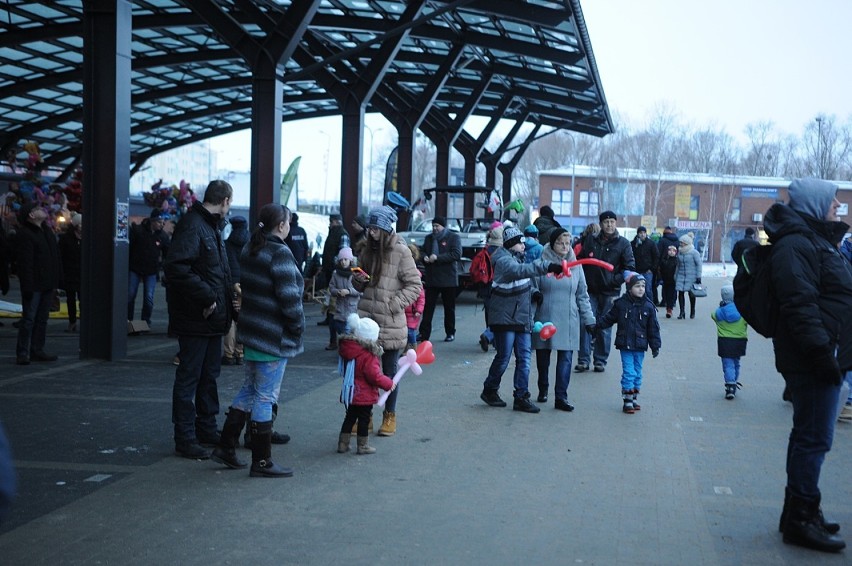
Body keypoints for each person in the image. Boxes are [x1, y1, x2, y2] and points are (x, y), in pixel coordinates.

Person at [764, 178, 851, 552]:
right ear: (815, 205)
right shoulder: (797, 244)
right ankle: (800, 518)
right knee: (813, 439)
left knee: (810, 437)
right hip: (815, 359)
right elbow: (799, 304)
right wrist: (821, 355)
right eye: (832, 202)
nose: (838, 208)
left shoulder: (811, 240)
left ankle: (799, 512)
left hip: (824, 355)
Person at [211, 203, 303, 478]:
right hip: (273, 336)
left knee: (251, 389)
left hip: (253, 333)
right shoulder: (279, 253)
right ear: (282, 225)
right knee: (265, 395)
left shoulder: (251, 248)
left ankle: (226, 446)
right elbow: (289, 298)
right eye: (287, 221)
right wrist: (297, 327)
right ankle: (262, 461)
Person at [164, 180, 235, 460]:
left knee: (208, 377)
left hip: (210, 318)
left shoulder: (209, 226)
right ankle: (185, 437)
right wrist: (208, 297)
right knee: (190, 378)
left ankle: (206, 428)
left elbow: (219, 271)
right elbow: (176, 268)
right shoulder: (194, 225)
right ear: (225, 201)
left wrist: (229, 303)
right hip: (196, 317)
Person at [351, 206, 421, 437]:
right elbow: (359, 286)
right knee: (364, 372)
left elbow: (414, 286)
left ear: (385, 228)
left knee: (389, 374)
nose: (370, 233)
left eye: (375, 228)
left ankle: (389, 415)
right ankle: (365, 417)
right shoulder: (366, 250)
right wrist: (358, 280)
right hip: (366, 322)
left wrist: (394, 304)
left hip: (391, 323)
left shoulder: (401, 251)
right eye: (369, 228)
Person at [479, 226, 563, 413]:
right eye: (520, 242)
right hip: (505, 318)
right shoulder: (503, 261)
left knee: (524, 358)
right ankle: (490, 389)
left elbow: (522, 281)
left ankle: (521, 397)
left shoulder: (518, 258)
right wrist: (548, 266)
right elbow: (520, 272)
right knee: (504, 357)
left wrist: (534, 293)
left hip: (522, 317)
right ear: (510, 244)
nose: (523, 245)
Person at [532, 228, 595, 411]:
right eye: (561, 242)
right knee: (543, 358)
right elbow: (532, 287)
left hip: (569, 318)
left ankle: (561, 396)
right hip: (545, 317)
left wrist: (589, 319)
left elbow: (582, 294)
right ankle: (543, 388)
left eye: (568, 243)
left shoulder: (576, 266)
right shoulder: (541, 264)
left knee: (566, 358)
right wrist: (535, 296)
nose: (565, 247)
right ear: (552, 244)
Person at [575, 210, 635, 373]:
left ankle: (600, 360)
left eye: (612, 222)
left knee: (604, 326)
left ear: (616, 224)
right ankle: (583, 359)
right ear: (601, 224)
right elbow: (579, 260)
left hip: (610, 292)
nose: (609, 225)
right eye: (606, 222)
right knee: (585, 322)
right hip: (590, 290)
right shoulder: (590, 240)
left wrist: (614, 280)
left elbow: (629, 267)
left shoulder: (623, 243)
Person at [595, 273, 661, 414]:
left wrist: (655, 345)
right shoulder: (621, 304)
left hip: (640, 345)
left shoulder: (648, 306)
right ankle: (627, 400)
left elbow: (653, 328)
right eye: (637, 286)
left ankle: (634, 397)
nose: (641, 289)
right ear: (629, 288)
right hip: (625, 344)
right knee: (629, 372)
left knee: (638, 373)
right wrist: (596, 326)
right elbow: (609, 318)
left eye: (643, 286)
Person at [337, 313, 396, 455]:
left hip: (351, 391)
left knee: (350, 417)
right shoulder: (368, 355)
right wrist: (388, 384)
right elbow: (374, 376)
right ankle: (362, 445)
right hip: (364, 393)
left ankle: (342, 443)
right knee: (364, 419)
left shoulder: (350, 349)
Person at [15, 201, 60, 366]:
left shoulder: (46, 231)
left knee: (42, 319)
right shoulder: (25, 234)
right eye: (37, 209)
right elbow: (25, 264)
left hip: (47, 283)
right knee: (29, 319)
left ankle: (36, 350)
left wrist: (56, 279)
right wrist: (27, 286)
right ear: (31, 215)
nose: (42, 209)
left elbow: (54, 257)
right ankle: (23, 352)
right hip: (34, 285)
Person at [419, 215, 462, 342]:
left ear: (443, 226)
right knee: (428, 308)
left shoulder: (453, 237)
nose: (434, 228)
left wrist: (438, 258)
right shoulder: (429, 238)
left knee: (449, 308)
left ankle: (450, 332)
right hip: (432, 279)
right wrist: (424, 257)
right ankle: (424, 334)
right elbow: (421, 251)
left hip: (448, 279)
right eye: (433, 226)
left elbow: (456, 254)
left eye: (437, 226)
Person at [128, 208, 170, 328]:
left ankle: (145, 322)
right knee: (131, 294)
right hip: (135, 267)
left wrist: (164, 267)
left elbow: (167, 253)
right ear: (153, 221)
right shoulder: (138, 231)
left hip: (151, 270)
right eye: (159, 222)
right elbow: (130, 248)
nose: (162, 224)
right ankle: (129, 321)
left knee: (149, 297)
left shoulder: (162, 236)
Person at [710, 284, 747, 400]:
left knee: (728, 364)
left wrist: (722, 306)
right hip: (740, 341)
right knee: (736, 362)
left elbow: (713, 315)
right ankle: (734, 382)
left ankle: (730, 385)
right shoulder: (743, 311)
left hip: (725, 341)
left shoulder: (719, 313)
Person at [222, 216, 248, 366]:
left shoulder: (227, 244)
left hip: (232, 284)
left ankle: (229, 354)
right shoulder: (251, 243)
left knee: (231, 319)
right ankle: (240, 352)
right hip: (246, 285)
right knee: (243, 318)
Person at [328, 246, 361, 347]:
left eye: (345, 259)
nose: (343, 262)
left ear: (350, 260)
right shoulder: (335, 274)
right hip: (340, 310)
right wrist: (338, 292)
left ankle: (348, 351)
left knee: (350, 334)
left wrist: (349, 291)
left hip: (353, 310)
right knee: (341, 332)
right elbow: (331, 288)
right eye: (341, 260)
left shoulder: (357, 272)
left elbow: (362, 290)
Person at [477, 224, 503, 352]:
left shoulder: (485, 250)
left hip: (485, 286)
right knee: (499, 314)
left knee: (489, 313)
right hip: (497, 286)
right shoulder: (501, 252)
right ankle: (491, 338)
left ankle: (489, 335)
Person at [58, 213, 82, 333]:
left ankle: (82, 322)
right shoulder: (66, 238)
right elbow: (61, 255)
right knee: (70, 299)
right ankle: (72, 321)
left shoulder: (86, 237)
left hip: (82, 273)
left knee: (83, 298)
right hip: (70, 272)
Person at [674, 234, 702, 319]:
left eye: (682, 243)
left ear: (687, 243)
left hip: (692, 276)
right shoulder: (680, 252)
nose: (681, 244)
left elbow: (699, 265)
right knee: (680, 293)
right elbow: (678, 265)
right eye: (680, 242)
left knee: (691, 294)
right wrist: (676, 275)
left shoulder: (694, 252)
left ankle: (692, 311)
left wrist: (698, 276)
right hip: (681, 275)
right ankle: (682, 312)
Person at [404, 244, 426, 349]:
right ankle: (407, 348)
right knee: (404, 332)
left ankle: (413, 347)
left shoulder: (416, 277)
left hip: (412, 312)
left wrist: (418, 310)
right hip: (403, 310)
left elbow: (421, 298)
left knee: (410, 331)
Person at [632, 226, 659, 302]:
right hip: (636, 271)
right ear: (637, 234)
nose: (642, 234)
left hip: (647, 271)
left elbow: (656, 256)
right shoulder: (633, 244)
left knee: (647, 290)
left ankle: (650, 305)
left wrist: (652, 269)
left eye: (644, 233)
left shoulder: (651, 243)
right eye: (640, 233)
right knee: (635, 289)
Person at [655, 226, 679, 306]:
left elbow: (658, 253)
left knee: (665, 284)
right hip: (675, 264)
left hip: (664, 265)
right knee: (673, 285)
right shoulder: (677, 241)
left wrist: (658, 265)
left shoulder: (662, 240)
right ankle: (673, 301)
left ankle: (664, 301)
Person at [658, 244, 678, 318]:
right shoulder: (664, 260)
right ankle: (667, 306)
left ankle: (669, 310)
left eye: (673, 250)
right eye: (670, 250)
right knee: (665, 295)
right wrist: (660, 277)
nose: (671, 252)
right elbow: (660, 269)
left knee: (671, 295)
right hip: (665, 280)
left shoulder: (677, 261)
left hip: (673, 281)